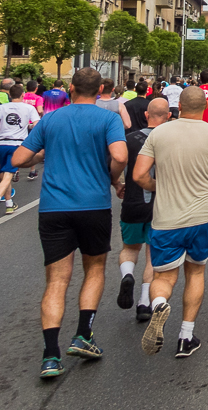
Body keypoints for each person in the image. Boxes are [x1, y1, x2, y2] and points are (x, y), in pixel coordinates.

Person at [12, 68, 128, 379]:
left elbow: (18, 160)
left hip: (54, 208)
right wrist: (113, 178)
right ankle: (83, 335)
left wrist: (40, 157)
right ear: (101, 88)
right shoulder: (108, 118)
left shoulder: (51, 119)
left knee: (57, 280)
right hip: (94, 205)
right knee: (94, 268)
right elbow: (120, 153)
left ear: (71, 88)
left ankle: (50, 355)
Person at [136, 87, 208, 357]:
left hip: (166, 218)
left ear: (178, 106)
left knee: (164, 276)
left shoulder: (159, 133)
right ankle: (185, 336)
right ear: (205, 107)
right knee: (195, 272)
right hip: (202, 217)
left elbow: (138, 175)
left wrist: (159, 185)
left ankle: (158, 303)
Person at [117, 98, 171, 323]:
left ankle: (127, 274)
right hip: (160, 204)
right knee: (152, 254)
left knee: (129, 248)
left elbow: (117, 164)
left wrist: (117, 183)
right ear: (168, 116)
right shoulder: (170, 139)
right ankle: (143, 302)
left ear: (147, 115)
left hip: (132, 201)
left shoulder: (129, 139)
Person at [0, 84, 40, 214]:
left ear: (9, 95)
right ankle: (8, 203)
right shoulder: (29, 108)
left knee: (4, 177)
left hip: (1, 144)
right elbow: (36, 125)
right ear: (23, 95)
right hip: (17, 146)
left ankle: (9, 204)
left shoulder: (2, 108)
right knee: (6, 178)